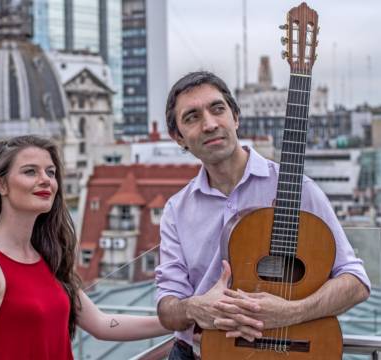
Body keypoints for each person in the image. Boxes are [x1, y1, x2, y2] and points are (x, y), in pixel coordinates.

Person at [155, 71, 370, 359]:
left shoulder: (299, 189)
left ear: (236, 117)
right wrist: (195, 308)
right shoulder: (175, 211)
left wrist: (290, 312)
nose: (210, 124)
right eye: (192, 117)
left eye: (218, 109)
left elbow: (356, 282)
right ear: (178, 137)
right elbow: (167, 309)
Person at [0, 135, 169, 359]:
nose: (46, 180)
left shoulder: (49, 255)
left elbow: (102, 324)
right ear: (1, 184)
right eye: (30, 171)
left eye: (50, 172)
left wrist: (180, 322)